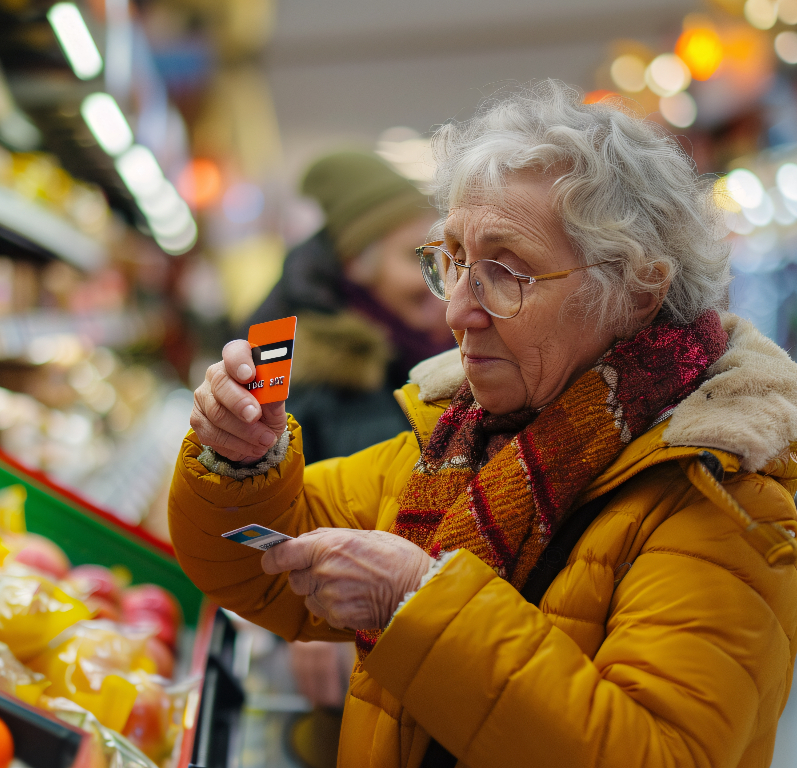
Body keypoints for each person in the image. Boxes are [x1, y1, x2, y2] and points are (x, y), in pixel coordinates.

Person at [171, 80, 797, 768]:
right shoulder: (458, 438)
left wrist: (418, 603)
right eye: (454, 263)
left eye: (505, 270)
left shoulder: (724, 496)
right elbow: (251, 562)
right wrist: (237, 460)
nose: (455, 311)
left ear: (632, 289)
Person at [244, 149, 451, 466]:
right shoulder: (318, 370)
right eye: (414, 257)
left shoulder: (409, 340)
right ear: (357, 262)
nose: (436, 278)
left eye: (439, 258)